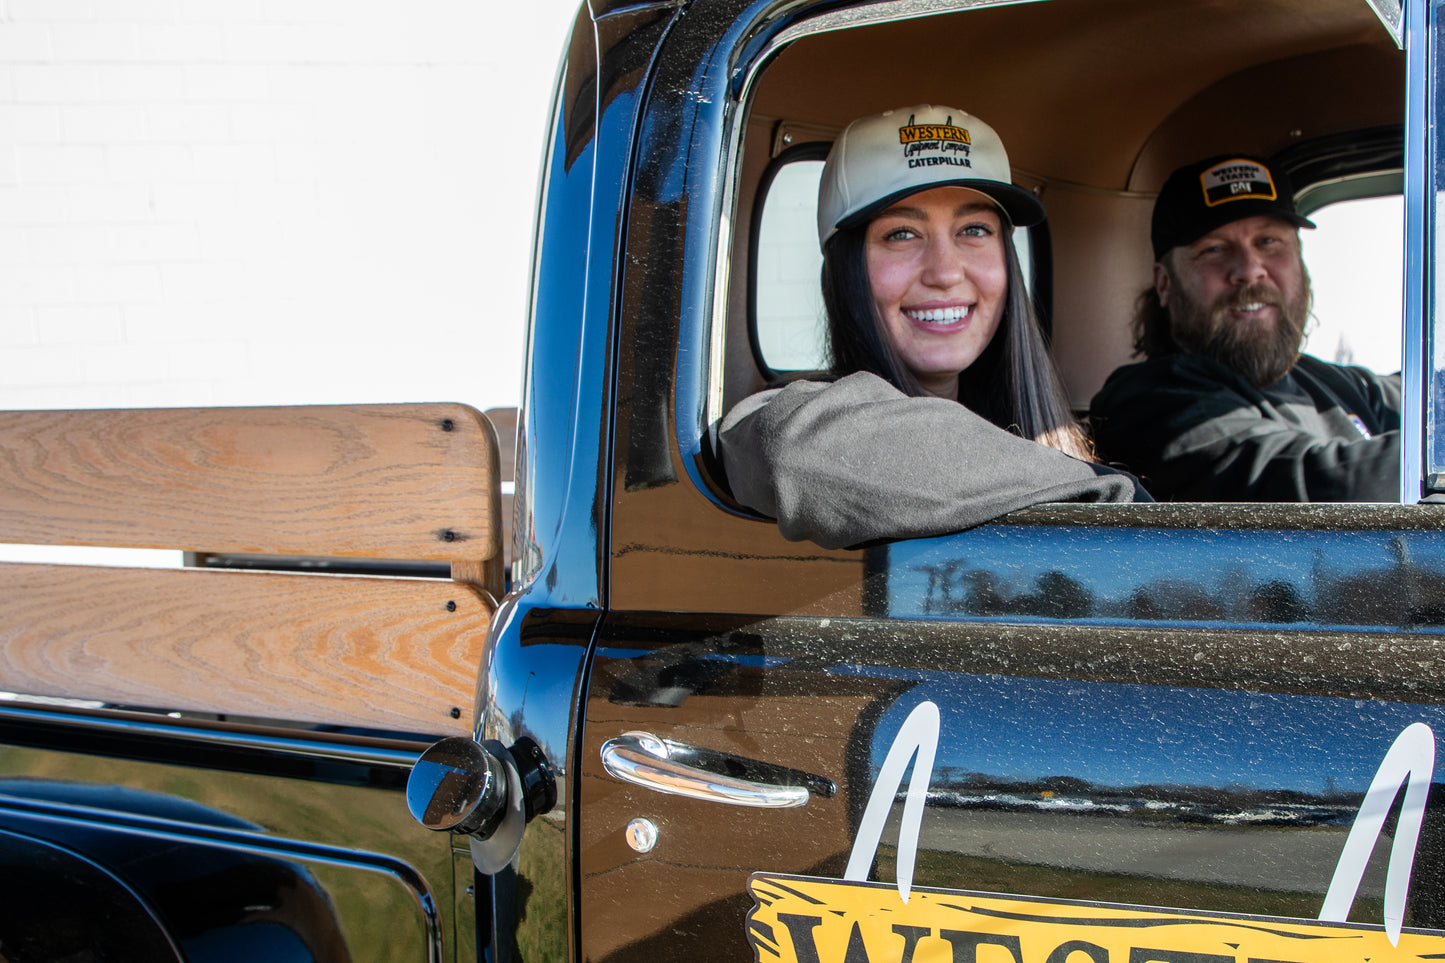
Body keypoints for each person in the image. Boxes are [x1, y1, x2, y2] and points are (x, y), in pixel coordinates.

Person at [719, 105, 1146, 550]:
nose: (945, 272)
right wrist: (1104, 494)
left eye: (975, 229)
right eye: (902, 233)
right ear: (844, 273)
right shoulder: (806, 425)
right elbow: (787, 452)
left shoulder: (1034, 433)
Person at [1088, 154, 1401, 502]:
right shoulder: (1148, 403)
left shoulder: (1334, 383)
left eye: (1269, 242)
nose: (1250, 270)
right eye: (1215, 249)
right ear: (1165, 284)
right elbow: (1322, 490)